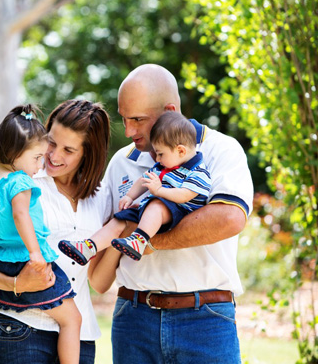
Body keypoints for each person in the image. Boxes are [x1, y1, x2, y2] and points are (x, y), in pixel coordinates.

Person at [88, 64, 254, 364]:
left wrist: (146, 242)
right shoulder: (121, 162)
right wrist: (119, 238)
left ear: (170, 109)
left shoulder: (222, 150)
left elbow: (229, 219)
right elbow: (99, 274)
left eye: (138, 119)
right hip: (132, 319)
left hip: (205, 320)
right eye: (124, 119)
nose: (129, 132)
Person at [0, 99, 112, 364]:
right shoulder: (20, 183)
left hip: (80, 337)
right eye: (50, 143)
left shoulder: (100, 197)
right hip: (22, 330)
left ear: (88, 153)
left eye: (69, 150)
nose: (53, 156)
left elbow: (99, 281)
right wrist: (16, 285)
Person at [58, 111, 211, 263]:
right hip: (154, 208)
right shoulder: (163, 167)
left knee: (156, 205)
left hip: (179, 212)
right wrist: (130, 196)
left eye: (161, 154)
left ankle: (138, 241)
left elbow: (185, 195)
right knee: (120, 219)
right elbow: (143, 180)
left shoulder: (198, 171)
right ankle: (89, 247)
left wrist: (159, 191)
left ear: (181, 150)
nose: (157, 159)